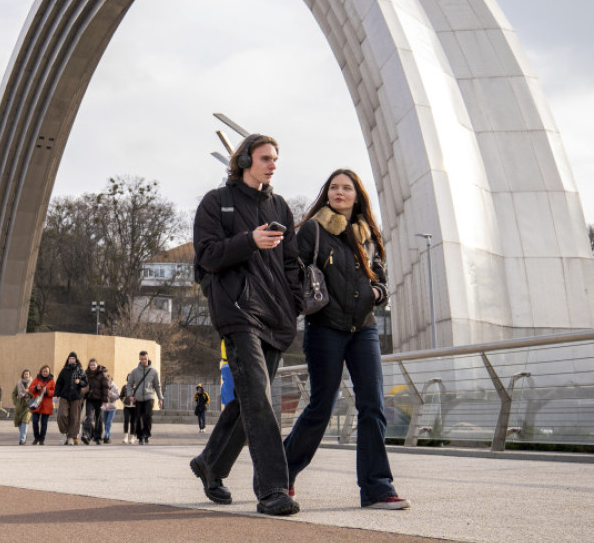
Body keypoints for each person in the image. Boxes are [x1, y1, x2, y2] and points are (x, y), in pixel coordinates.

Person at [189, 133, 303, 516]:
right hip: (238, 313)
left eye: (276, 159)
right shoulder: (215, 203)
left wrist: (295, 303)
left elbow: (292, 264)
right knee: (259, 397)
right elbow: (207, 256)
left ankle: (211, 463)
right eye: (266, 158)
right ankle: (272, 489)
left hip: (276, 316)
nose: (273, 165)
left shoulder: (281, 207)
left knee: (249, 400)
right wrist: (249, 241)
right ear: (243, 162)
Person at [284, 169, 410, 510]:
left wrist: (376, 292)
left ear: (357, 196)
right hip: (325, 327)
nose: (340, 192)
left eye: (347, 188)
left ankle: (377, 488)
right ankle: (282, 472)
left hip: (364, 329)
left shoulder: (368, 236)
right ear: (327, 194)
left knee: (373, 406)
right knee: (322, 406)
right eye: (334, 187)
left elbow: (383, 279)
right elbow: (292, 271)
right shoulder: (313, 230)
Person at [126, 350, 163, 445]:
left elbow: (157, 385)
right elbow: (129, 384)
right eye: (141, 359)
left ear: (148, 358)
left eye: (145, 359)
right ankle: (140, 436)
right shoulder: (134, 371)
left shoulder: (153, 371)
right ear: (139, 359)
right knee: (138, 417)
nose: (143, 361)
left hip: (149, 396)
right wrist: (130, 395)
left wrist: (160, 398)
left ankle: (147, 434)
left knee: (147, 415)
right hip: (138, 398)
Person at [55, 351, 87, 445]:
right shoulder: (64, 370)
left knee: (74, 418)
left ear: (76, 360)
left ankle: (71, 437)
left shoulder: (80, 370)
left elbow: (85, 382)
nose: (71, 360)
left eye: (73, 358)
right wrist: (56, 395)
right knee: (61, 415)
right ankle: (64, 433)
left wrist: (79, 382)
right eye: (70, 358)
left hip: (76, 397)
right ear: (68, 360)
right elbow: (58, 384)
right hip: (64, 397)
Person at [81, 358, 109, 445]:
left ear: (97, 365)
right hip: (90, 399)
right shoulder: (86, 374)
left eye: (94, 365)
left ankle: (97, 438)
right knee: (89, 417)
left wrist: (105, 400)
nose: (92, 366)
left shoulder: (102, 374)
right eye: (91, 365)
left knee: (99, 419)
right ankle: (86, 435)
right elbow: (83, 386)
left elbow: (105, 388)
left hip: (100, 400)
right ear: (89, 366)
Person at [28, 365, 55, 445]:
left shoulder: (52, 381)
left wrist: (47, 392)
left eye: (46, 371)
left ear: (49, 372)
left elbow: (54, 392)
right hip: (36, 404)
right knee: (35, 421)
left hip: (46, 405)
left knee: (44, 423)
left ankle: (42, 439)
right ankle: (36, 438)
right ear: (41, 371)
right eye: (44, 371)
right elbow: (30, 388)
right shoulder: (37, 379)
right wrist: (36, 388)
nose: (45, 373)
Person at [11, 369, 33, 445]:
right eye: (25, 374)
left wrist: (28, 392)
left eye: (27, 374)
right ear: (23, 375)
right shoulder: (18, 384)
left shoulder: (33, 384)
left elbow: (35, 394)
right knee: (20, 423)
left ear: (29, 375)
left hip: (28, 405)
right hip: (20, 405)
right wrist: (16, 402)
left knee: (25, 420)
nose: (26, 375)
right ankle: (23, 435)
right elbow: (14, 394)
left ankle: (22, 439)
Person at [101, 372, 120, 443]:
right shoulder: (102, 387)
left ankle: (107, 435)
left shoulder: (114, 387)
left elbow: (117, 396)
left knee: (109, 422)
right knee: (105, 422)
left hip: (112, 407)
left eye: (108, 379)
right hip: (105, 407)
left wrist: (110, 393)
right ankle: (108, 436)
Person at [120, 375, 136, 444]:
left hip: (135, 407)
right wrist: (124, 401)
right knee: (126, 420)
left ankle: (132, 437)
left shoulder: (137, 387)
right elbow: (121, 396)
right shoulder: (125, 387)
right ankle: (125, 437)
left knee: (133, 421)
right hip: (127, 406)